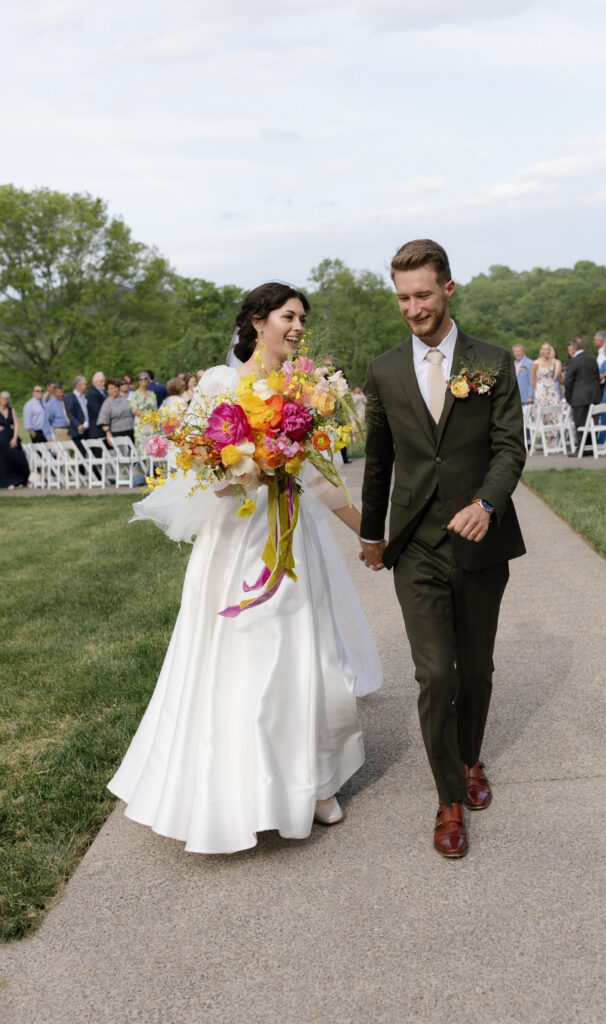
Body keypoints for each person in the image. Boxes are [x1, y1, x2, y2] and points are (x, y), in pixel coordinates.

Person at [108, 282, 381, 853]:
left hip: (290, 537)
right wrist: (240, 470)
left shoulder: (303, 390)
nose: (298, 326)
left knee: (304, 652)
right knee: (243, 652)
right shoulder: (219, 384)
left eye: (302, 317)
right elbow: (200, 471)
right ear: (258, 321)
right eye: (289, 316)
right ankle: (234, 789)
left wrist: (368, 532)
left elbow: (315, 477)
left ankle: (315, 783)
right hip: (237, 540)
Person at [359, 239, 526, 860]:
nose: (412, 308)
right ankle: (448, 798)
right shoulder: (383, 370)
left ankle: (471, 756)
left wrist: (486, 504)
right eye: (402, 297)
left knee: (476, 670)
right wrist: (371, 534)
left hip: (481, 542)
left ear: (448, 289)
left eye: (422, 294)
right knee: (435, 675)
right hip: (416, 547)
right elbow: (380, 460)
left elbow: (511, 448)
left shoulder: (492, 361)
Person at [564, 337, 602, 454]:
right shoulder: (592, 359)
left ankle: (581, 449)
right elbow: (597, 377)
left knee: (580, 424)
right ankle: (591, 448)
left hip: (579, 397)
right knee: (592, 423)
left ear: (574, 347)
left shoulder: (573, 361)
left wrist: (569, 398)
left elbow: (568, 382)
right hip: (594, 396)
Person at [531, 342, 562, 445]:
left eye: (548, 349)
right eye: (544, 349)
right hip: (540, 390)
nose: (547, 351)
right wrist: (539, 390)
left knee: (554, 414)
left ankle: (553, 438)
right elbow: (532, 380)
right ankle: (544, 440)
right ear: (540, 350)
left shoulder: (554, 362)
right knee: (542, 414)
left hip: (552, 390)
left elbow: (557, 376)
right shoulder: (536, 363)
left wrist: (549, 387)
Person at [0, 391, 30, 488]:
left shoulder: (11, 410)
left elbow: (16, 424)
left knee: (18, 457)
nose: (5, 400)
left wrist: (15, 437)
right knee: (4, 459)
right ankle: (7, 482)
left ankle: (20, 480)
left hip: (11, 435)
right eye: (3, 398)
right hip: (1, 438)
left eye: (6, 398)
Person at [97, 379, 136, 447]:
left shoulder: (126, 399)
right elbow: (103, 420)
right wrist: (108, 433)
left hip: (132, 431)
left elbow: (134, 412)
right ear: (107, 391)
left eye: (115, 387)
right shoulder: (107, 403)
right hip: (118, 434)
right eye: (111, 388)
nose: (114, 389)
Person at [129, 372, 158, 453]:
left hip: (152, 423)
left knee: (152, 444)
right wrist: (147, 419)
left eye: (146, 378)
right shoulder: (135, 394)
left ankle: (153, 465)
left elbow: (155, 409)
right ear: (138, 381)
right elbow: (135, 410)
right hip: (141, 422)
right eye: (141, 379)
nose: (144, 380)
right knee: (142, 445)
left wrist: (154, 420)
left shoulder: (152, 394)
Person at [63, 376, 90, 454]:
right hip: (78, 431)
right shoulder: (70, 397)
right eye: (85, 384)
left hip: (87, 429)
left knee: (87, 453)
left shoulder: (85, 397)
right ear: (79, 386)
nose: (87, 387)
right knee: (79, 454)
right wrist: (78, 425)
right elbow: (70, 413)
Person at [86, 372, 108, 441]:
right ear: (94, 383)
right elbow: (98, 411)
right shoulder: (93, 394)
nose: (103, 383)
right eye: (101, 381)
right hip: (98, 430)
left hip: (104, 429)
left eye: (104, 381)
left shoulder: (104, 392)